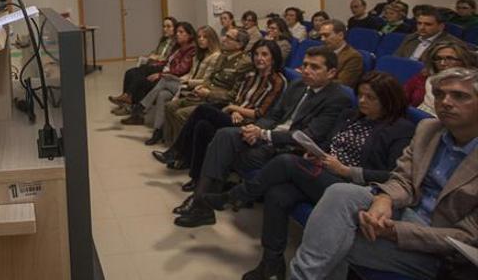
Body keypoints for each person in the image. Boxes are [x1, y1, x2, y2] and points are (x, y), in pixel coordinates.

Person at [203, 71, 416, 280]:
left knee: (286, 161)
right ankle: (271, 263)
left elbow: (392, 175)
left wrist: (346, 170)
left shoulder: (401, 129)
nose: (362, 101)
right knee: (278, 194)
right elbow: (329, 143)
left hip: (351, 190)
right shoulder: (350, 116)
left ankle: (236, 195)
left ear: (388, 100)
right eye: (360, 94)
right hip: (324, 173)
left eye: (370, 97)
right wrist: (315, 152)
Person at [289, 67, 478, 280]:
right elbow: (404, 179)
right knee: (340, 193)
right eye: (440, 94)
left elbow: (467, 237)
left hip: (442, 248)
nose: (445, 102)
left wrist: (395, 231)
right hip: (406, 209)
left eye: (460, 96)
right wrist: (384, 198)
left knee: (333, 241)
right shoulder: (429, 128)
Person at [173, 46, 352, 228]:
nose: (306, 70)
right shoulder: (298, 85)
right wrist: (255, 129)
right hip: (269, 136)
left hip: (291, 150)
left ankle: (202, 201)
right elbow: (273, 116)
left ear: (331, 73)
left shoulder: (337, 98)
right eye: (305, 65)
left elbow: (307, 136)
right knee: (224, 135)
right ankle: (201, 203)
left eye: (314, 67)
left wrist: (264, 135)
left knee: (222, 149)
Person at [154, 40, 287, 187]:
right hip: (236, 116)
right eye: (256, 54)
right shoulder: (250, 76)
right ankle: (196, 178)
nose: (259, 58)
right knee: (202, 126)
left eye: (264, 54)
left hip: (251, 126)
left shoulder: (277, 81)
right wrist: (236, 109)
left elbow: (260, 113)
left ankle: (177, 151)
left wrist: (234, 109)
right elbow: (238, 98)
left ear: (273, 58)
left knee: (203, 110)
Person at [162, 28, 253, 143]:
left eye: (228, 37)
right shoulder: (223, 56)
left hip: (218, 101)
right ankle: (174, 145)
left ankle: (183, 152)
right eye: (225, 35)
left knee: (181, 114)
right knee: (170, 106)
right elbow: (211, 78)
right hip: (205, 94)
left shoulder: (244, 63)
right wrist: (202, 86)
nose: (223, 39)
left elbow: (233, 94)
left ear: (239, 44)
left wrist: (209, 93)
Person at [140, 25, 222, 145]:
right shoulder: (199, 54)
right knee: (163, 94)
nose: (201, 39)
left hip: (197, 88)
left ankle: (142, 106)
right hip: (186, 85)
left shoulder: (215, 56)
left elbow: (206, 80)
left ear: (212, 39)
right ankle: (158, 131)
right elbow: (190, 73)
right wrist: (179, 79)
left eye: (205, 37)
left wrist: (185, 82)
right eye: (199, 37)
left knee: (164, 80)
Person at [120, 22, 197, 125]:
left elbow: (180, 70)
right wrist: (156, 65)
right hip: (166, 72)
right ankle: (130, 103)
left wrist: (160, 74)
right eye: (177, 32)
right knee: (136, 73)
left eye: (181, 32)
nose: (177, 34)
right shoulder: (178, 47)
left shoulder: (190, 49)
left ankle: (136, 109)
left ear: (190, 35)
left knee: (142, 82)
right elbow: (168, 61)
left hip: (172, 78)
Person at [109, 17, 177, 109]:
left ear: (175, 28)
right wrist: (152, 55)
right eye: (164, 26)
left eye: (168, 26)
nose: (165, 29)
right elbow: (155, 52)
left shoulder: (176, 43)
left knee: (140, 74)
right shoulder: (163, 40)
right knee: (129, 73)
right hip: (153, 64)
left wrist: (157, 58)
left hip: (161, 66)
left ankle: (129, 99)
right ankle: (125, 99)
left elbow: (169, 58)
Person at [403, 42, 477, 115]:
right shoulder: (423, 77)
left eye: (450, 58)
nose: (442, 63)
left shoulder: (473, 83)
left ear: (464, 60)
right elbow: (402, 99)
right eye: (438, 59)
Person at [394, 6, 462, 61]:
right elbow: (395, 59)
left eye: (428, 24)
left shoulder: (451, 43)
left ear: (441, 27)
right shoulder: (410, 38)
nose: (422, 27)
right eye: (419, 23)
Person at [317, 19, 364, 88]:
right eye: (321, 36)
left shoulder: (353, 57)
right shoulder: (321, 50)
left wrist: (315, 79)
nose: (322, 39)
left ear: (340, 35)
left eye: (326, 35)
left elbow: (342, 84)